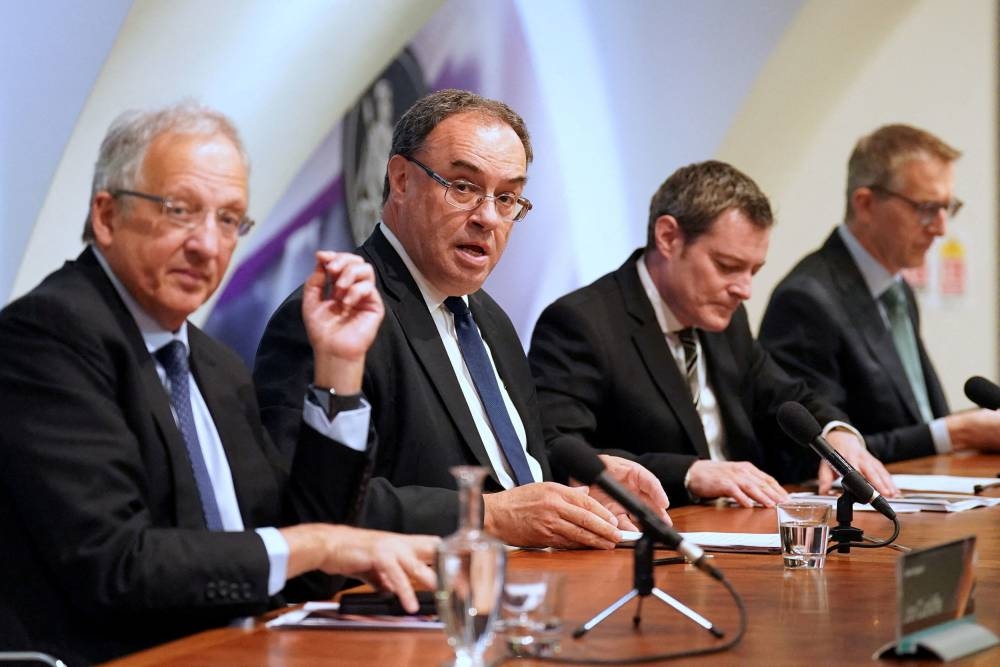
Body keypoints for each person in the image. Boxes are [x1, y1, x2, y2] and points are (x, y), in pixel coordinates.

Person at [0, 103, 437, 666]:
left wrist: (339, 365)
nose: (208, 245)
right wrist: (315, 545)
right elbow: (115, 565)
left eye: (229, 220)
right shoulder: (48, 338)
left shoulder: (214, 364)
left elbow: (303, 538)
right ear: (107, 217)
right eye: (181, 211)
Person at [255, 89, 669, 549]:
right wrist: (483, 514)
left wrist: (583, 483)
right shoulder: (336, 318)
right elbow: (307, 501)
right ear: (401, 180)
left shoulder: (490, 320)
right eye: (464, 187)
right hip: (417, 602)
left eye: (508, 197)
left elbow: (505, 472)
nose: (488, 218)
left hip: (534, 581)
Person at [528, 160, 897, 507]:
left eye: (754, 270)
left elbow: (787, 397)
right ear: (668, 237)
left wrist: (838, 434)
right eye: (728, 266)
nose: (744, 289)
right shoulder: (581, 322)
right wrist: (690, 473)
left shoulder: (726, 318)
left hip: (743, 525)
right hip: (656, 533)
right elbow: (559, 448)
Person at [760, 124, 1000, 462]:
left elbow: (912, 417)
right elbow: (820, 451)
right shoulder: (805, 299)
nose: (942, 228)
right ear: (866, 203)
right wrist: (957, 432)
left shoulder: (897, 287)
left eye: (949, 208)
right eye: (927, 208)